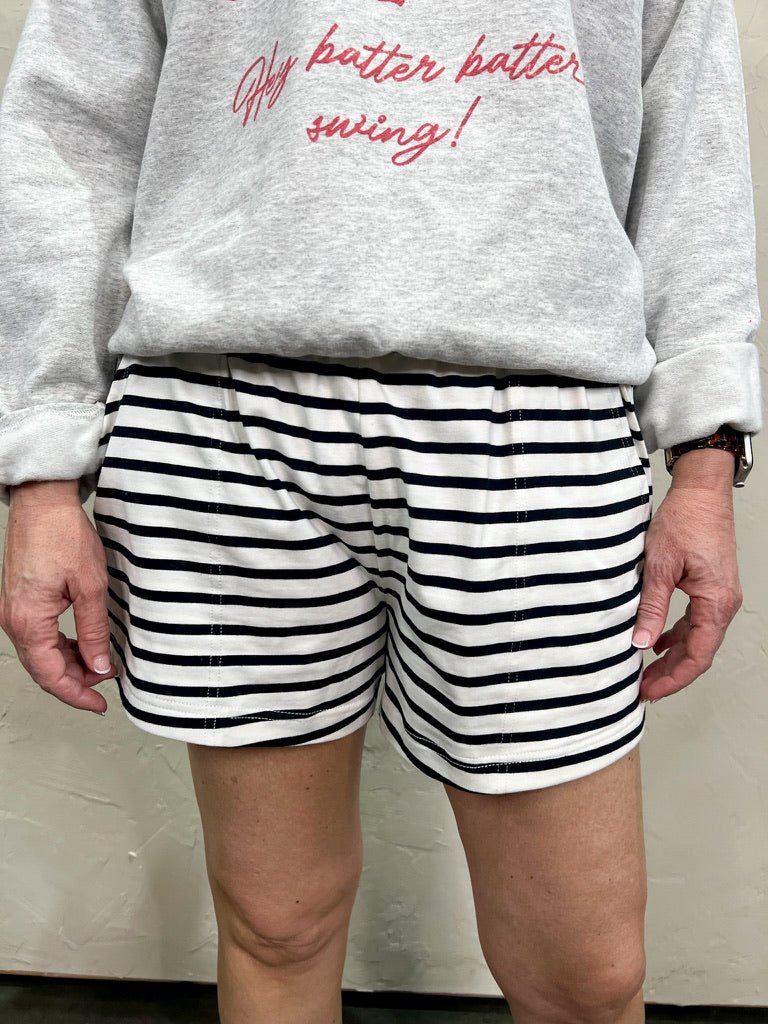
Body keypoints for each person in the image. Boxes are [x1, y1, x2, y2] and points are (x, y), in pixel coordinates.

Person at [0, 1, 761, 1021]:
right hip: (220, 413)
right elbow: (71, 134)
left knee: (586, 975)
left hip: (537, 420)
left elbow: (691, 148)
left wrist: (706, 456)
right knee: (276, 924)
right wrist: (42, 471)